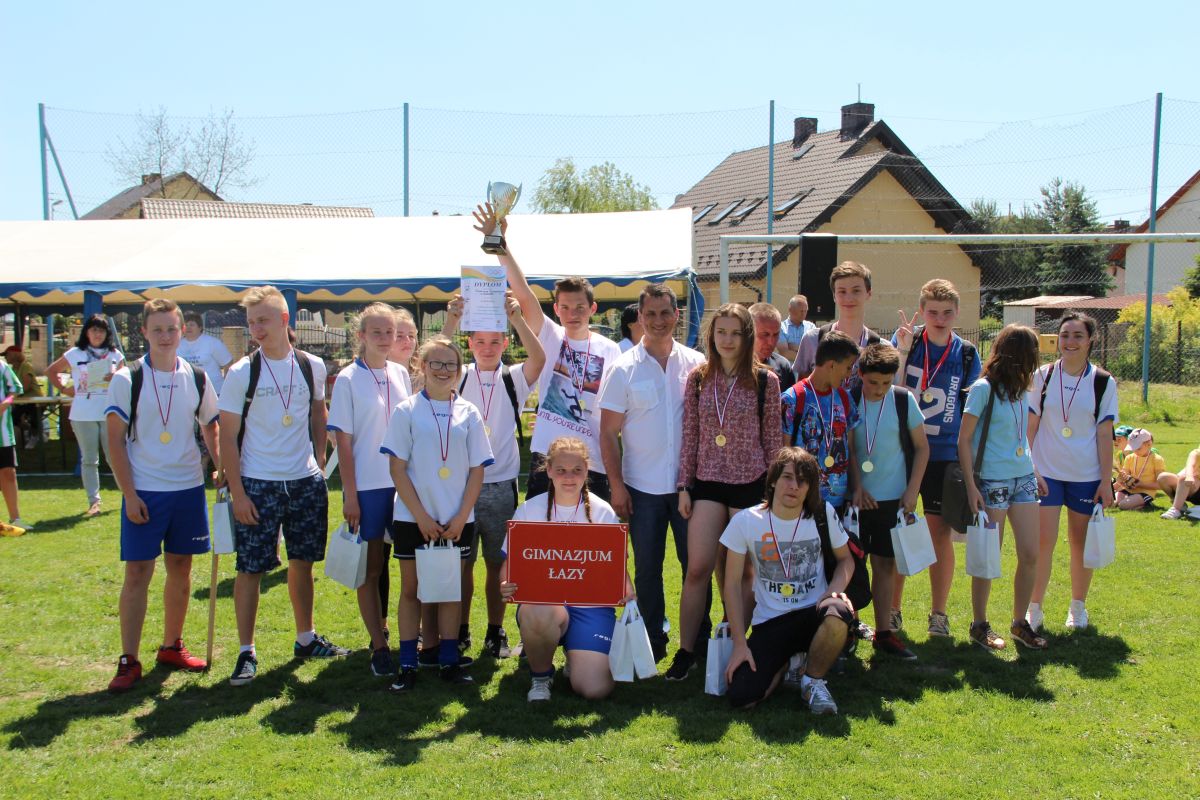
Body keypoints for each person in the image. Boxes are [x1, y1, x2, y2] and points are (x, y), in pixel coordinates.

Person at [218, 286, 347, 687]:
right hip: (258, 483)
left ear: (285, 319)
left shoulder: (312, 365)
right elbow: (227, 437)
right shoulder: (241, 372)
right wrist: (239, 493)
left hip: (305, 482)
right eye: (251, 322)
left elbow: (318, 413)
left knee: (302, 562)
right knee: (250, 569)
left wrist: (319, 463)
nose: (256, 329)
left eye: (264, 320)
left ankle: (306, 638)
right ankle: (246, 651)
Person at [103, 298, 221, 692]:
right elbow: (114, 441)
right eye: (158, 329)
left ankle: (172, 645)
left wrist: (220, 465)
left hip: (188, 488)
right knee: (138, 573)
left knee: (181, 568)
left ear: (183, 330)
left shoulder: (197, 376)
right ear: (144, 332)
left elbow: (211, 425)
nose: (166, 336)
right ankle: (129, 659)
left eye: (172, 328)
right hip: (145, 491)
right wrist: (129, 493)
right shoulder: (128, 378)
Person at [474, 203, 620, 501]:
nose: (572, 313)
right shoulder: (550, 335)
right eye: (565, 307)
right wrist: (500, 244)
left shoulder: (611, 349)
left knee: (590, 530)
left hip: (592, 458)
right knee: (540, 527)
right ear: (556, 309)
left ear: (592, 308)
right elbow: (523, 291)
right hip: (548, 455)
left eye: (580, 307)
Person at [670, 303, 782, 681]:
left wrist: (771, 493)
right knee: (698, 568)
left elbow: (773, 441)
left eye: (735, 333)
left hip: (750, 484)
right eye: (721, 332)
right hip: (707, 484)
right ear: (712, 336)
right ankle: (686, 652)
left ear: (747, 337)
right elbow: (690, 436)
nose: (728, 340)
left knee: (743, 573)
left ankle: (736, 645)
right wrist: (684, 486)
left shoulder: (766, 381)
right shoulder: (698, 378)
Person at [599, 283, 706, 662]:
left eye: (665, 313)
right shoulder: (622, 369)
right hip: (641, 489)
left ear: (677, 315)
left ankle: (699, 639)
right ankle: (652, 640)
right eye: (650, 314)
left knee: (696, 567)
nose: (658, 321)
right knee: (647, 570)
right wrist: (616, 486)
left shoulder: (696, 364)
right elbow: (608, 433)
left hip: (689, 488)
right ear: (639, 318)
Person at [381, 336, 492, 692]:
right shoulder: (406, 410)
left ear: (459, 370)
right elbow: (397, 469)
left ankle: (448, 661)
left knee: (449, 590)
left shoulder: (469, 412)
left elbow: (477, 470)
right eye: (436, 363)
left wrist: (461, 516)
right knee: (411, 590)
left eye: (451, 365)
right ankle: (407, 664)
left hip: (457, 521)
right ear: (421, 365)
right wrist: (421, 517)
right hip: (414, 518)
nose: (444, 370)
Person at [442, 291, 545, 659]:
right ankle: (461, 629)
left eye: (495, 342)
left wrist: (517, 319)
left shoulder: (513, 377)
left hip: (501, 485)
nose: (487, 348)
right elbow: (434, 358)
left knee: (497, 564)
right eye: (480, 342)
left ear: (505, 343)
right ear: (469, 344)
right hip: (461, 487)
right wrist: (452, 320)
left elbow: (539, 358)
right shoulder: (458, 376)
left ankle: (494, 630)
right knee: (462, 564)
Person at [501, 436, 634, 702]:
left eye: (577, 470)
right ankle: (541, 677)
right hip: (544, 605)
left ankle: (576, 655)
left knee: (595, 689)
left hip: (591, 607)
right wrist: (505, 585)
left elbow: (615, 564)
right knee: (539, 610)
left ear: (587, 470)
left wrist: (627, 590)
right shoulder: (529, 510)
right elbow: (509, 566)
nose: (569, 477)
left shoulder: (603, 512)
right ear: (549, 470)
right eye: (561, 470)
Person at [722, 447, 855, 714]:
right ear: (772, 480)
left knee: (838, 611)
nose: (794, 486)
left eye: (803, 481)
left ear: (810, 488)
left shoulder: (823, 514)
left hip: (812, 614)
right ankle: (789, 663)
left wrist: (832, 593)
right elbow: (732, 585)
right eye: (787, 477)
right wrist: (739, 644)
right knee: (742, 697)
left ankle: (812, 680)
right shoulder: (745, 521)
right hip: (770, 622)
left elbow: (846, 560)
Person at [889, 279, 981, 638]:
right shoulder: (908, 344)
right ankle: (892, 610)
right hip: (905, 451)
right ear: (922, 312)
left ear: (957, 313)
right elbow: (890, 389)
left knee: (940, 534)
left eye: (946, 313)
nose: (939, 319)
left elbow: (972, 408)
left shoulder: (967, 354)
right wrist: (901, 350)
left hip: (945, 455)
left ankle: (938, 614)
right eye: (932, 312)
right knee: (900, 529)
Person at [327, 303, 412, 677]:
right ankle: (378, 646)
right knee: (371, 568)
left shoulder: (400, 372)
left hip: (403, 484)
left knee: (410, 564)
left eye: (390, 332)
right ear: (361, 335)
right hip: (369, 486)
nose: (384, 338)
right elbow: (343, 443)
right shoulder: (348, 379)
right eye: (376, 332)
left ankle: (413, 637)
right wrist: (350, 495)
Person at [1027, 312, 1118, 631]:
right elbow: (1031, 425)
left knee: (1080, 543)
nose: (1070, 342)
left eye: (1078, 336)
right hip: (1046, 473)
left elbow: (1105, 434)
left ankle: (1077, 607)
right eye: (1065, 335)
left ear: (1090, 340)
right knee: (1043, 542)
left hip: (1086, 475)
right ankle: (1034, 608)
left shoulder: (1103, 381)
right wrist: (1029, 467)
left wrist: (1105, 481)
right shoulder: (1043, 376)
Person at [959, 324, 1046, 651]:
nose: (1036, 360)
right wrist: (972, 486)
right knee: (988, 556)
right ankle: (979, 624)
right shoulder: (983, 389)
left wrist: (1034, 471)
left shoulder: (1023, 389)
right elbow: (964, 440)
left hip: (1023, 479)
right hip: (991, 481)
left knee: (1030, 553)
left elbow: (1019, 436)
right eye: (1033, 352)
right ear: (1019, 354)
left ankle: (1019, 623)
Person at [850, 343, 929, 660]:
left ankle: (884, 633)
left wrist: (912, 490)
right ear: (860, 374)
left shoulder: (903, 400)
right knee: (852, 567)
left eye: (886, 382)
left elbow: (922, 448)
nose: (879, 389)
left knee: (885, 565)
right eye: (873, 382)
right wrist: (856, 487)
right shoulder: (849, 399)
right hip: (855, 502)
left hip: (892, 500)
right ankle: (850, 627)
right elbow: (847, 448)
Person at [46, 314, 125, 517]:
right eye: (94, 330)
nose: (98, 334)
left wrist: (116, 377)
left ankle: (128, 494)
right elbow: (52, 371)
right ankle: (94, 501)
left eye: (101, 330)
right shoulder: (75, 353)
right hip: (83, 412)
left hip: (110, 411)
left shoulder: (115, 354)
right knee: (89, 459)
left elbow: (127, 379)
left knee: (115, 456)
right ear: (86, 332)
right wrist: (65, 389)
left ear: (107, 333)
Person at [782, 330, 861, 512]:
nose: (849, 374)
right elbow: (784, 453)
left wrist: (857, 488)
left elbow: (851, 449)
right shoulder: (792, 398)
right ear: (832, 365)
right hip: (801, 502)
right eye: (848, 367)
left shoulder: (844, 398)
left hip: (837, 503)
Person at [791, 262, 880, 394]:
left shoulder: (880, 347)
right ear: (834, 296)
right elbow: (800, 393)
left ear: (868, 294)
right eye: (842, 291)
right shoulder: (813, 340)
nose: (848, 298)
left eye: (856, 291)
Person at [0, 357, 28, 532]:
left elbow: (16, 388)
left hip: (3, 433)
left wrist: (5, 404)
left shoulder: (1, 365)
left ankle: (15, 518)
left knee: (8, 473)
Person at [177, 312, 235, 395]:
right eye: (186, 325)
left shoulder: (212, 343)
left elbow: (228, 363)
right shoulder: (177, 344)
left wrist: (227, 385)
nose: (188, 327)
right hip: (187, 392)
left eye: (192, 324)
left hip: (214, 391)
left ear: (200, 327)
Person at [748, 302, 796, 389]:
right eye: (765, 334)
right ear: (749, 332)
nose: (771, 342)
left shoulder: (783, 367)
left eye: (776, 334)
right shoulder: (732, 366)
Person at [1113, 428, 1164, 510]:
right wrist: (1121, 478)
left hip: (1146, 492)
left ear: (1149, 444)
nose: (1135, 451)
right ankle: (1136, 504)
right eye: (1133, 448)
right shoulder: (1129, 458)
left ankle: (1145, 504)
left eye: (1138, 448)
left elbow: (1161, 485)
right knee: (1112, 503)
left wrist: (1141, 484)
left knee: (1123, 505)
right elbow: (1122, 479)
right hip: (1129, 490)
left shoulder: (1157, 459)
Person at [5, 345, 43, 449]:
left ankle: (35, 435)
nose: (5, 357)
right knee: (13, 419)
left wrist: (12, 395)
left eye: (7, 354)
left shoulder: (26, 366)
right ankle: (34, 433)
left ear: (14, 355)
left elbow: (26, 385)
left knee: (34, 416)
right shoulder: (13, 369)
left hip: (35, 400)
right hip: (21, 401)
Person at [1159, 448, 1200, 520]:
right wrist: (1189, 476)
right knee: (1163, 477)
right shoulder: (1196, 453)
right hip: (1191, 487)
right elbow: (1190, 465)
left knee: (1184, 478)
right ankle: (1179, 506)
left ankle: (1176, 509)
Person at [778, 294, 816, 363]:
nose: (804, 314)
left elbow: (815, 350)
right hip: (789, 369)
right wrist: (807, 354)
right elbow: (785, 353)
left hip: (807, 370)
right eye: (801, 311)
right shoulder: (781, 327)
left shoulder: (811, 327)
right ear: (790, 310)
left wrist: (793, 346)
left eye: (805, 311)